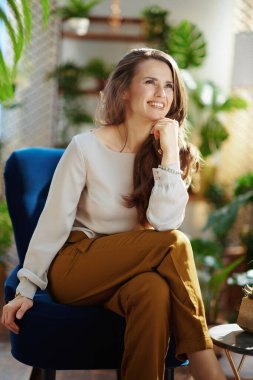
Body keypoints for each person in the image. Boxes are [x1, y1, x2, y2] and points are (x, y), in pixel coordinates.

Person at [1, 48, 226, 380]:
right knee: (174, 244)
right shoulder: (86, 147)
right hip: (76, 265)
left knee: (154, 291)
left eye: (168, 85)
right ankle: (205, 364)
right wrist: (26, 288)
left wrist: (167, 153)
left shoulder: (170, 152)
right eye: (150, 82)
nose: (161, 93)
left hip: (132, 269)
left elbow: (163, 222)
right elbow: (53, 222)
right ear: (124, 90)